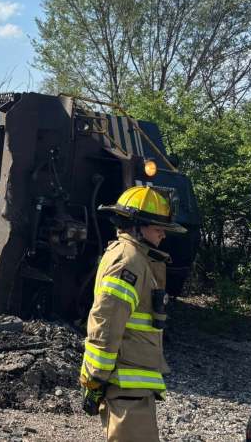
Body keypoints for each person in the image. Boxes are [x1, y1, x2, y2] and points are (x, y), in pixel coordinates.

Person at [79, 186, 185, 442]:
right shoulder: (128, 262)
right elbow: (106, 324)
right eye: (157, 227)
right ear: (136, 226)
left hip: (132, 387)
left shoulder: (136, 258)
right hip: (125, 387)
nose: (163, 234)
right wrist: (95, 378)